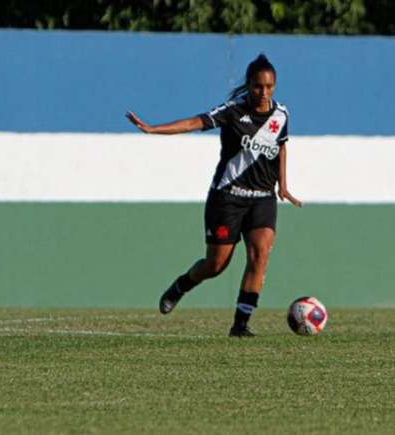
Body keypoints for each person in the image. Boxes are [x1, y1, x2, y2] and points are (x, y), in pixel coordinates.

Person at [126, 54, 302, 337]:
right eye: (258, 86)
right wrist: (153, 129)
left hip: (262, 198)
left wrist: (283, 185)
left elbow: (281, 146)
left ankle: (240, 325)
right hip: (228, 197)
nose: (264, 92)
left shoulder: (281, 114)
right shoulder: (233, 111)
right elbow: (194, 123)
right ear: (249, 85)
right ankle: (181, 285)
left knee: (260, 254)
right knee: (216, 264)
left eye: (269, 87)